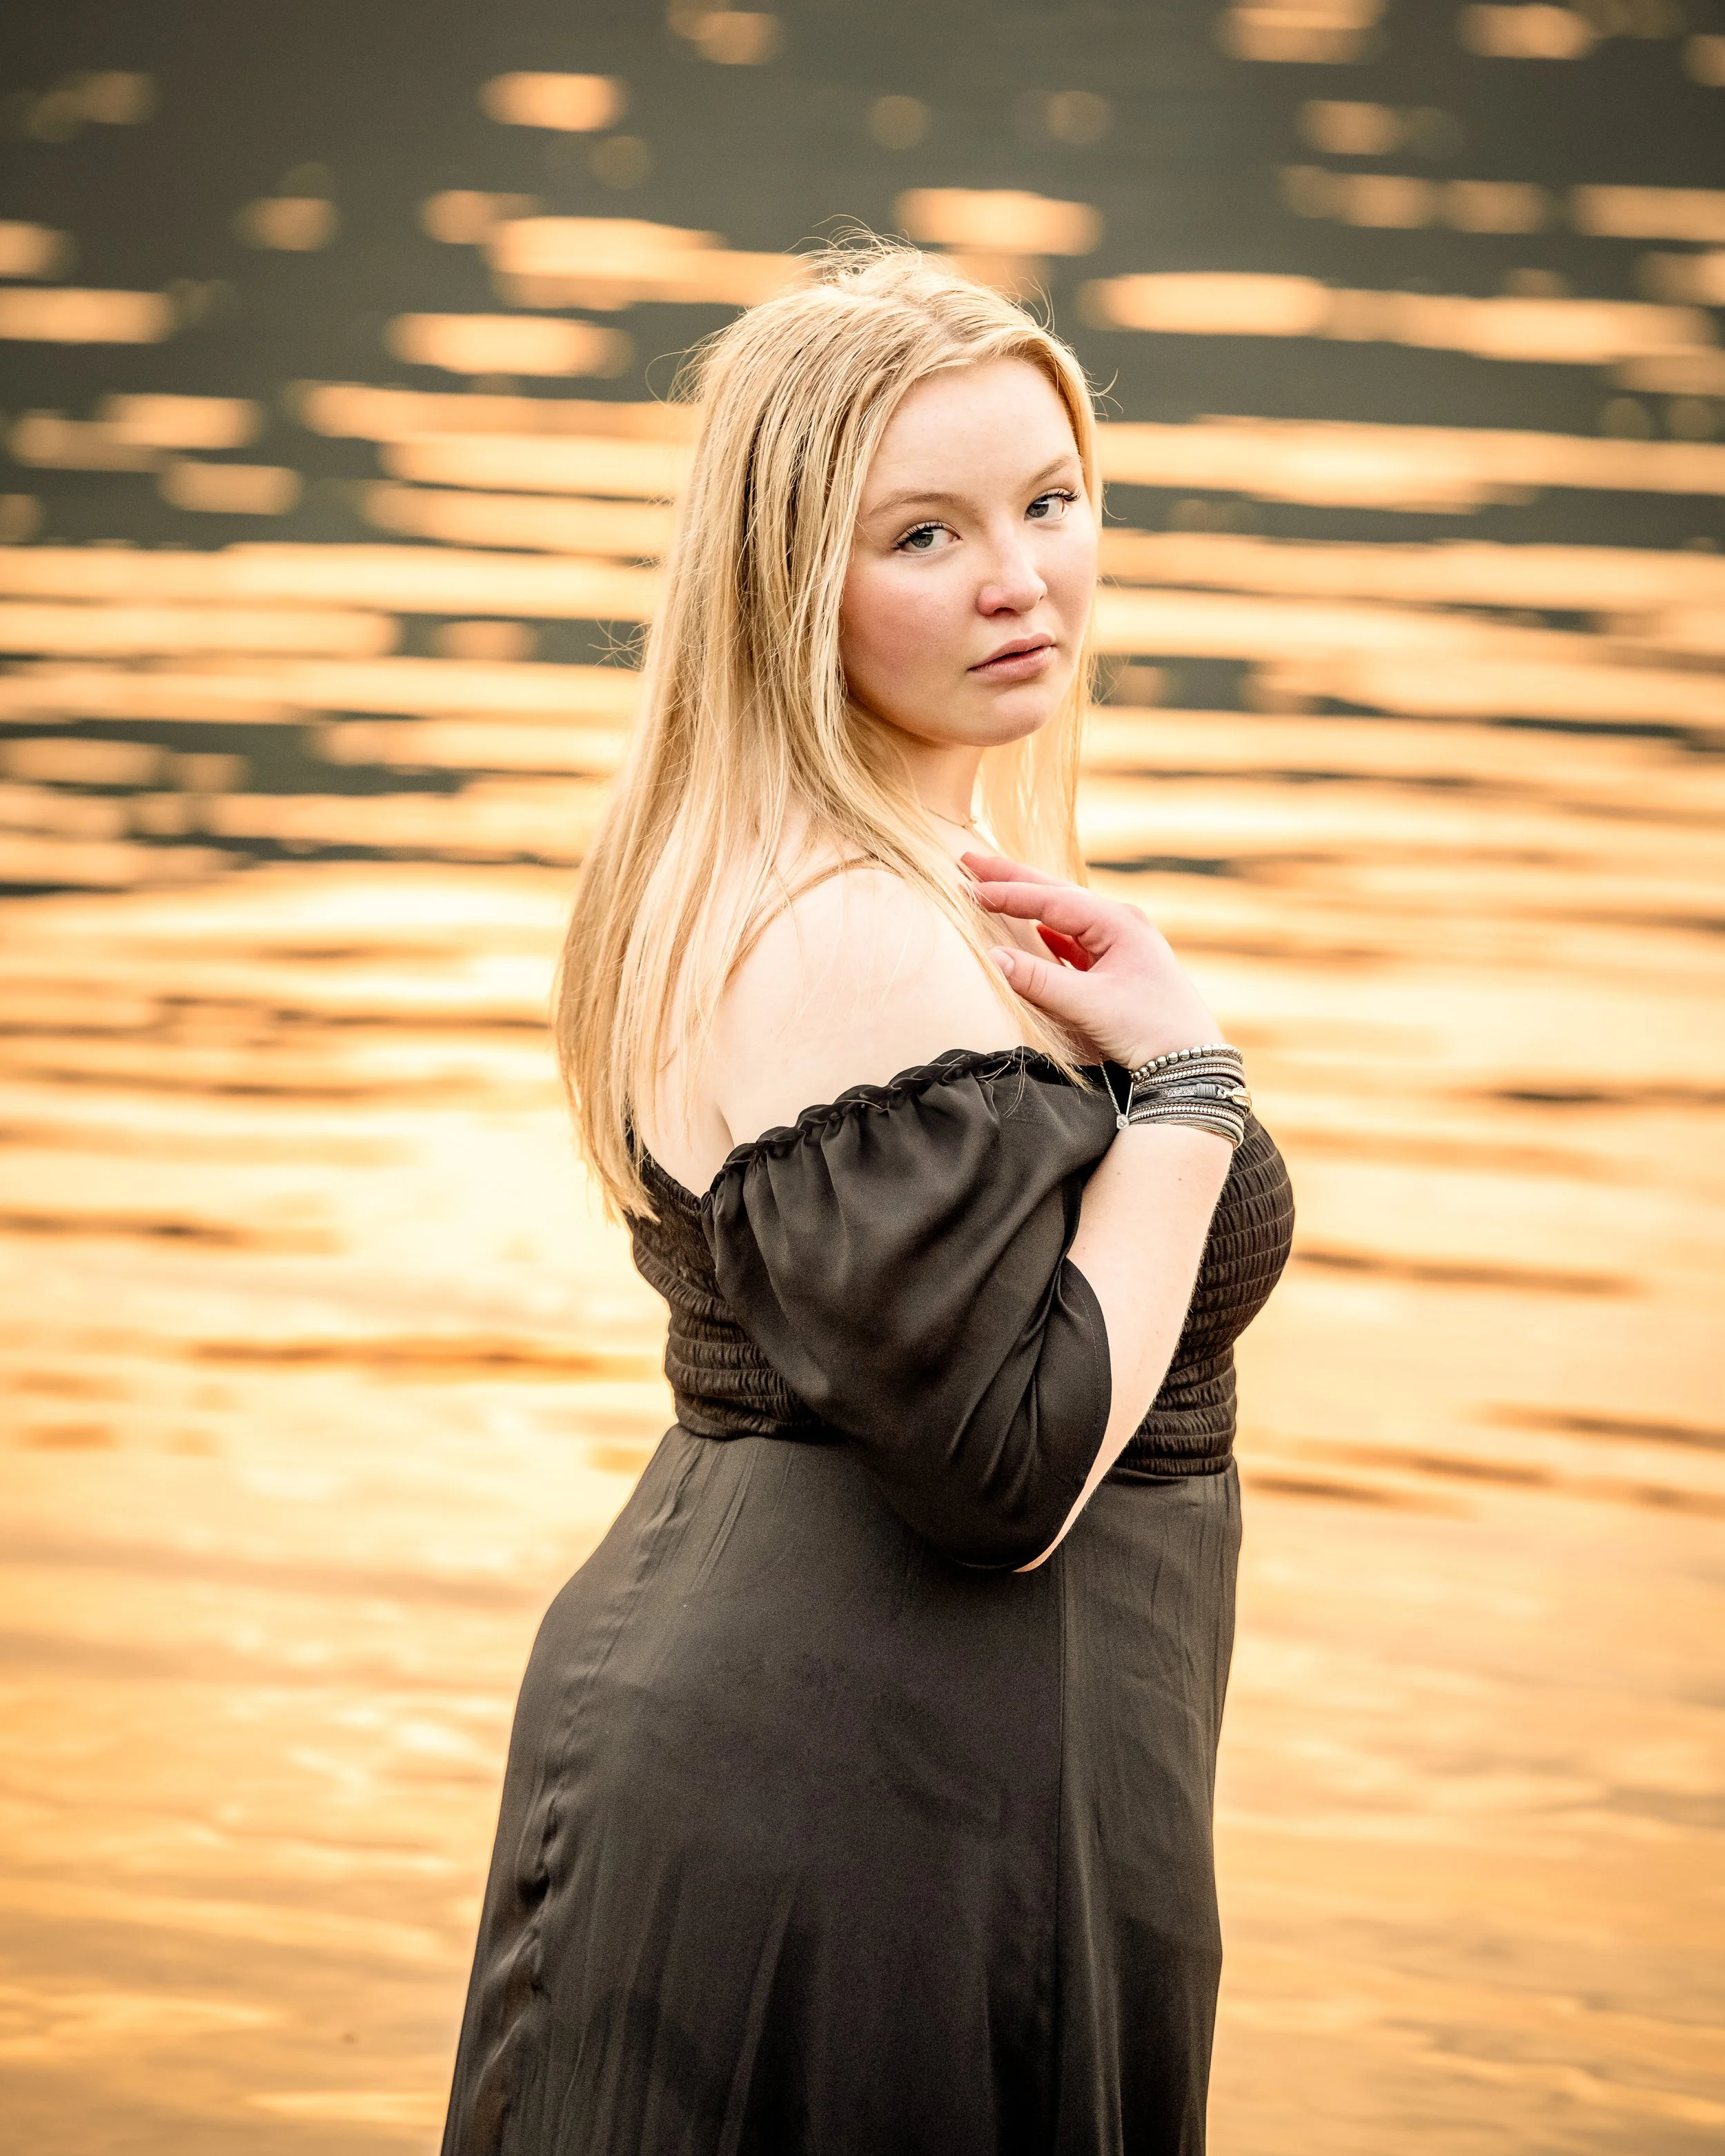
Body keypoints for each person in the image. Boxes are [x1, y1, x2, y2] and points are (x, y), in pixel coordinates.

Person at [441, 243, 1294, 2156]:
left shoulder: (913, 877)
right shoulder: (834, 933)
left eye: (1049, 503)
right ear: (781, 583)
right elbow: (1002, 1468)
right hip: (842, 1799)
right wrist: (1185, 1088)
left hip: (983, 1773)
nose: (1019, 576)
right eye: (923, 532)